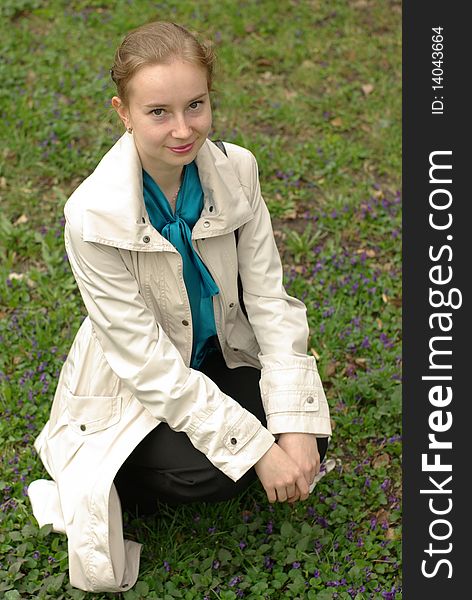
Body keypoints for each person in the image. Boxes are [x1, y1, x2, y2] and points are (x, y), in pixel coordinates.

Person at [27, 21, 332, 593]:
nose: (183, 129)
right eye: (159, 112)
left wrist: (290, 427)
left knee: (307, 433)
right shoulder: (91, 216)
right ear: (124, 112)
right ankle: (124, 470)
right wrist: (257, 447)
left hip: (216, 351)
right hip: (139, 383)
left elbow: (268, 298)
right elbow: (146, 365)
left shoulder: (238, 169)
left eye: (196, 105)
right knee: (207, 471)